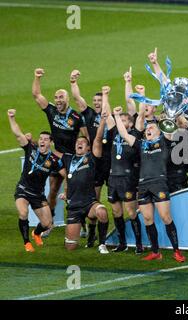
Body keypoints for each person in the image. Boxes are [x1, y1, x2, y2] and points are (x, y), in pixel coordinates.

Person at [113, 106, 186, 263]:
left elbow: (169, 127)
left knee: (166, 217)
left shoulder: (165, 141)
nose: (148, 129)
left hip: (159, 183)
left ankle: (176, 251)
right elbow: (124, 134)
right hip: (143, 185)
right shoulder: (141, 144)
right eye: (147, 128)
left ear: (159, 131)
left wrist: (169, 114)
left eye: (152, 127)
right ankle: (155, 251)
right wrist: (117, 116)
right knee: (147, 218)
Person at [32, 68, 88, 233]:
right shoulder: (52, 111)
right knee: (53, 191)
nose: (57, 100)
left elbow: (86, 138)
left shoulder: (77, 117)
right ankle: (49, 224)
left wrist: (83, 153)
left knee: (73, 191)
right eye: (56, 97)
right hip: (56, 157)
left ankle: (81, 223)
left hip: (72, 159)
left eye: (61, 97)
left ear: (67, 98)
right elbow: (37, 95)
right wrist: (37, 77)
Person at [8, 109, 61, 252]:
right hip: (23, 189)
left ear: (51, 142)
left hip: (38, 194)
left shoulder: (54, 160)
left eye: (46, 139)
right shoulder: (30, 149)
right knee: (23, 213)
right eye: (41, 138)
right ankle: (27, 243)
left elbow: (65, 173)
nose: (42, 141)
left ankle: (36, 233)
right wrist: (12, 118)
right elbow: (18, 134)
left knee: (48, 223)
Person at [100, 86, 143, 254]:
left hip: (128, 178)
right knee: (116, 211)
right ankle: (122, 243)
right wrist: (105, 95)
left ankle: (139, 244)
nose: (121, 123)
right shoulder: (113, 134)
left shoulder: (135, 136)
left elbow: (141, 116)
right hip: (113, 178)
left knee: (131, 212)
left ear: (130, 124)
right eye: (120, 120)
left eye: (125, 120)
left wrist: (141, 95)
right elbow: (107, 114)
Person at [58, 122, 109, 254]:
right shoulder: (68, 159)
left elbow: (98, 139)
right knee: (70, 247)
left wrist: (102, 121)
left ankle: (102, 244)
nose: (79, 143)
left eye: (82, 142)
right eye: (77, 142)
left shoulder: (91, 158)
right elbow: (64, 175)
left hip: (89, 203)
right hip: (73, 206)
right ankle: (75, 236)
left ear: (88, 148)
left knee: (102, 212)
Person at [70, 70, 112, 201]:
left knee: (115, 196)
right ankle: (94, 219)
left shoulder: (111, 118)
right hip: (95, 158)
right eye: (95, 100)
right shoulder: (89, 114)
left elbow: (107, 111)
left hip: (111, 158)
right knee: (95, 194)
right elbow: (77, 98)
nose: (96, 103)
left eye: (100, 100)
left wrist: (105, 96)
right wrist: (73, 82)